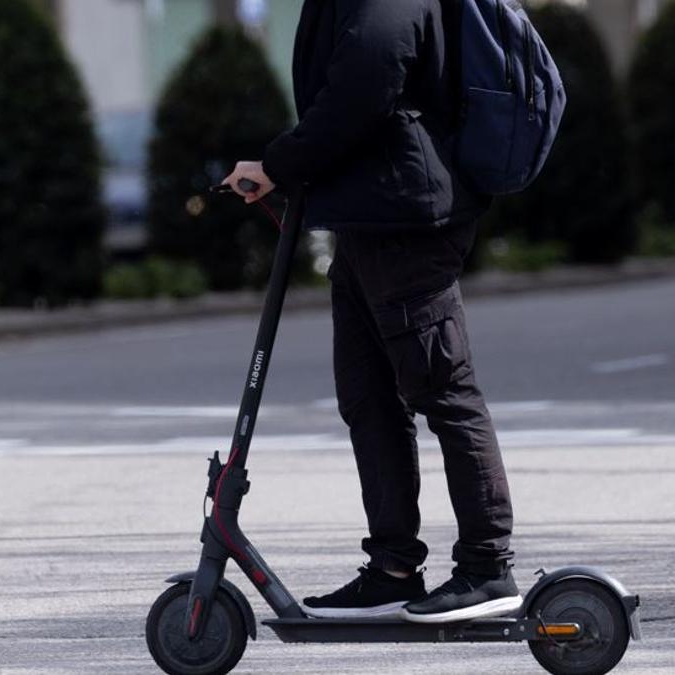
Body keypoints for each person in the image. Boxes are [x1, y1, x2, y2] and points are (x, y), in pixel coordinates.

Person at [222, 0, 518, 623]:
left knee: (443, 391)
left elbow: (366, 82)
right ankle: (392, 568)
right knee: (368, 397)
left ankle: (488, 568)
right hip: (366, 219)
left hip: (406, 218)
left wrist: (280, 164)